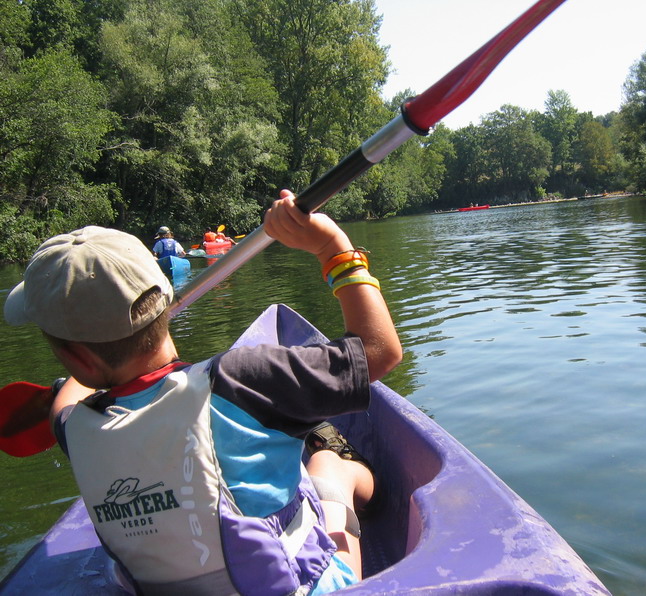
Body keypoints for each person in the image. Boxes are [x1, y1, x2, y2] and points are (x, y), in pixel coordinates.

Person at [3, 189, 402, 595]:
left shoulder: (75, 428)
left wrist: (84, 373)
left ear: (77, 361)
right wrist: (333, 247)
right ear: (165, 296)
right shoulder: (240, 380)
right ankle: (353, 475)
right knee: (327, 469)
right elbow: (380, 352)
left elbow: (66, 399)